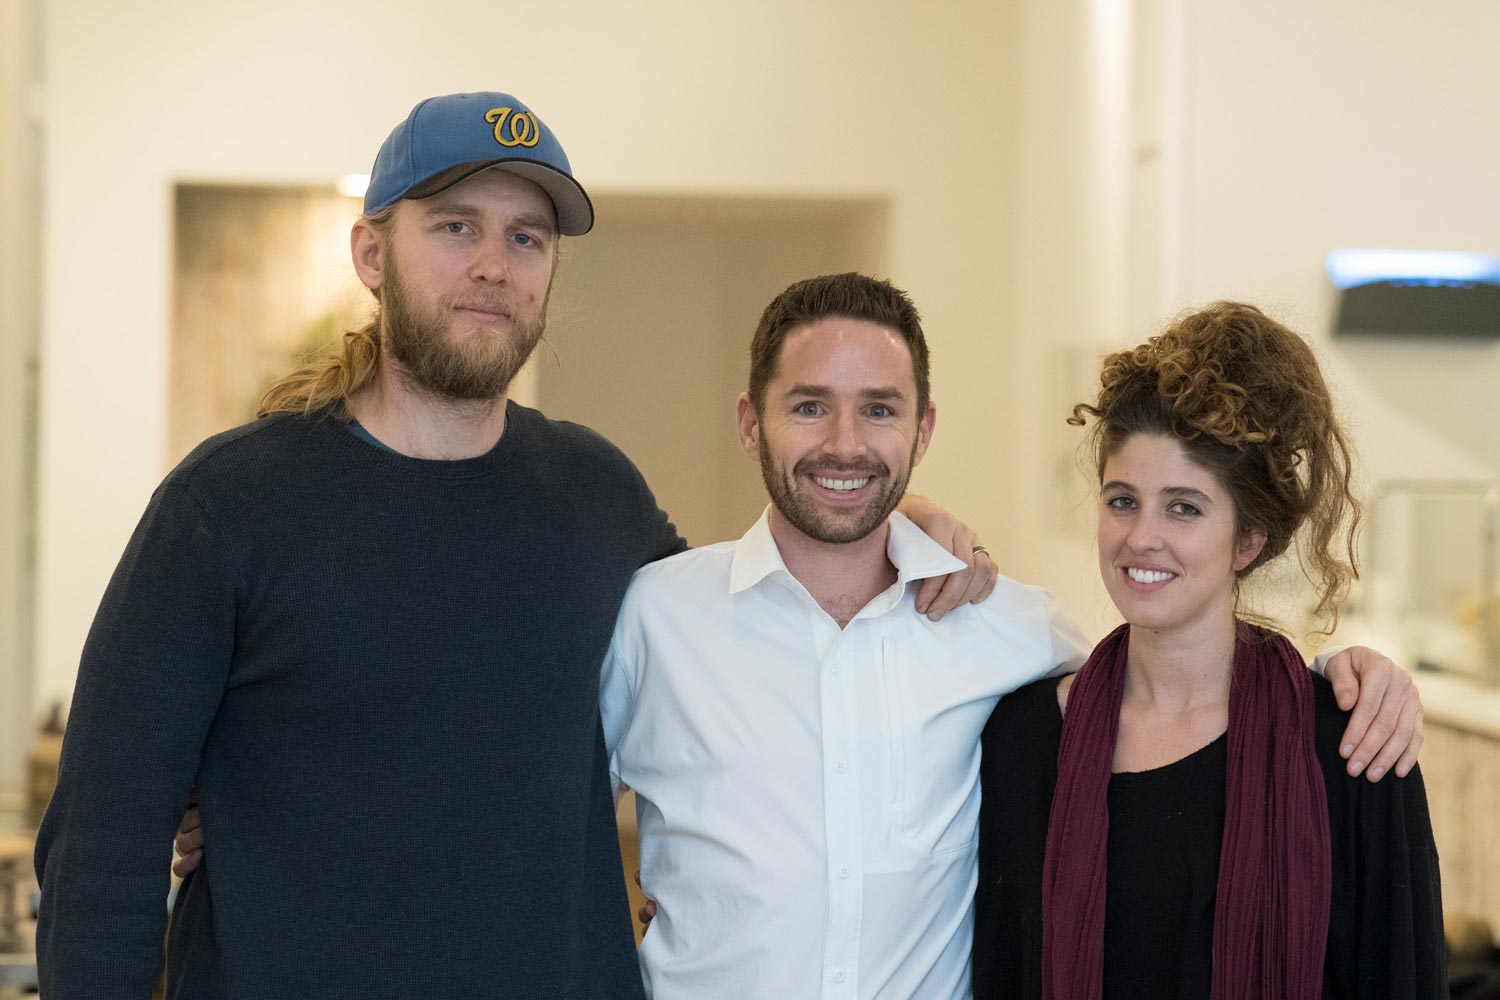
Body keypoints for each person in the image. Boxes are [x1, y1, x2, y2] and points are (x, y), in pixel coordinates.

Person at [33, 93, 993, 1000]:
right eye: (457, 226)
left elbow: (747, 636)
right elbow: (100, 850)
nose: (494, 264)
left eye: (525, 237)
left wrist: (893, 523)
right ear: (371, 252)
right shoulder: (228, 506)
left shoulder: (597, 497)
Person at [594, 278, 1423, 999]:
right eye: (810, 405)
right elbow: (545, 835)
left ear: (921, 433)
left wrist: (1345, 673)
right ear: (750, 422)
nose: (844, 443)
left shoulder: (1013, 639)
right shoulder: (656, 619)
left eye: (878, 410)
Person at [972, 302, 1446, 999]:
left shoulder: (1353, 749)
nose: (1141, 539)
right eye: (1122, 500)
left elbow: (1403, 979)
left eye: (1184, 507)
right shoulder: (1022, 740)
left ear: (1249, 540)